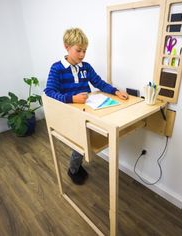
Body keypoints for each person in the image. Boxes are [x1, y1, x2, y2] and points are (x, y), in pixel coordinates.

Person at [44, 27, 128, 185]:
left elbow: (99, 82)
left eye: (85, 51)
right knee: (81, 141)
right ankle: (73, 169)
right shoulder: (57, 68)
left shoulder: (86, 67)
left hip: (87, 110)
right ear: (67, 47)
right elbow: (49, 91)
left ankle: (78, 162)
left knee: (95, 136)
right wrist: (71, 98)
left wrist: (115, 91)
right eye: (79, 51)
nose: (82, 55)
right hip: (69, 113)